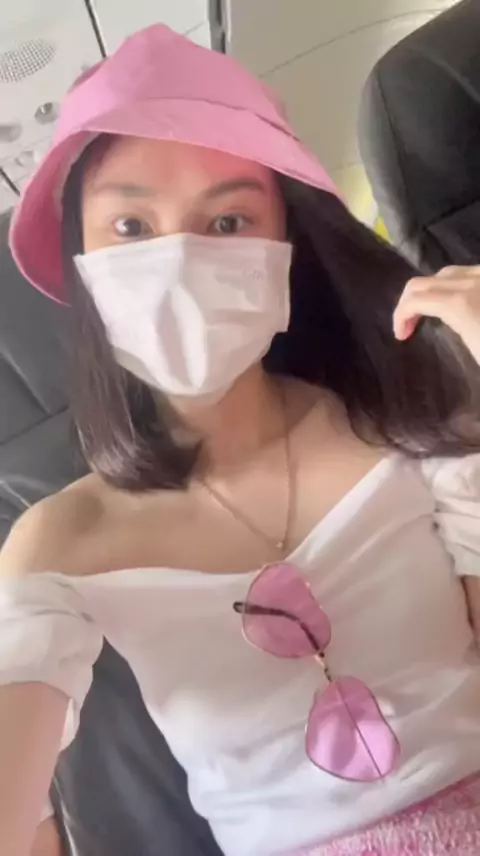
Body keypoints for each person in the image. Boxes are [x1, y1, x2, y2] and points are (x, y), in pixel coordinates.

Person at [1, 23, 480, 856]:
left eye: (227, 221)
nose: (178, 260)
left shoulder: (410, 418)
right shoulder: (58, 547)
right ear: (82, 265)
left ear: (285, 248)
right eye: (130, 227)